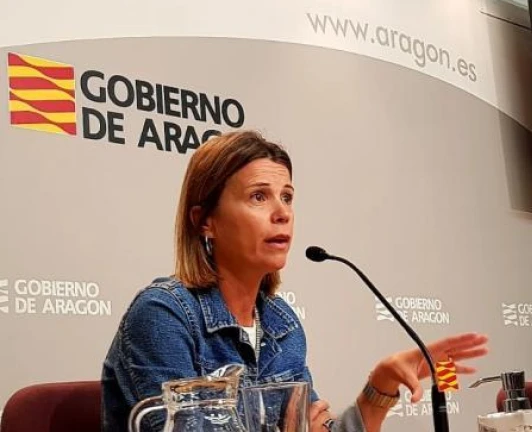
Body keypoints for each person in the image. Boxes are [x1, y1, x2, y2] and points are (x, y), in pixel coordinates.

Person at [101, 130, 489, 432]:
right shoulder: (163, 316)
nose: (282, 213)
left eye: (287, 197)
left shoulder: (281, 323)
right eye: (258, 197)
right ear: (205, 221)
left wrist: (381, 387)